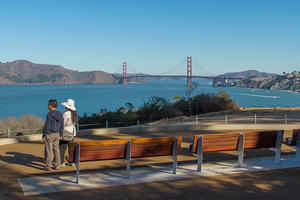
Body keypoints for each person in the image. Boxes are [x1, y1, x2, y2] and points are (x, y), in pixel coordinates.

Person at [42, 99, 64, 171]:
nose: (48, 106)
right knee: (56, 150)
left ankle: (48, 166)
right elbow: (62, 125)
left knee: (49, 150)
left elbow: (47, 125)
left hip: (50, 134)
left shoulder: (49, 114)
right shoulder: (60, 114)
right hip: (57, 134)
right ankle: (57, 165)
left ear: (50, 106)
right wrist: (61, 134)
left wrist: (44, 134)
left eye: (48, 104)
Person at [59, 99, 78, 167]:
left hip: (66, 131)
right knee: (71, 147)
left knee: (62, 147)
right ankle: (71, 162)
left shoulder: (66, 114)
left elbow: (62, 123)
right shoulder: (75, 113)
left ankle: (61, 162)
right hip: (72, 132)